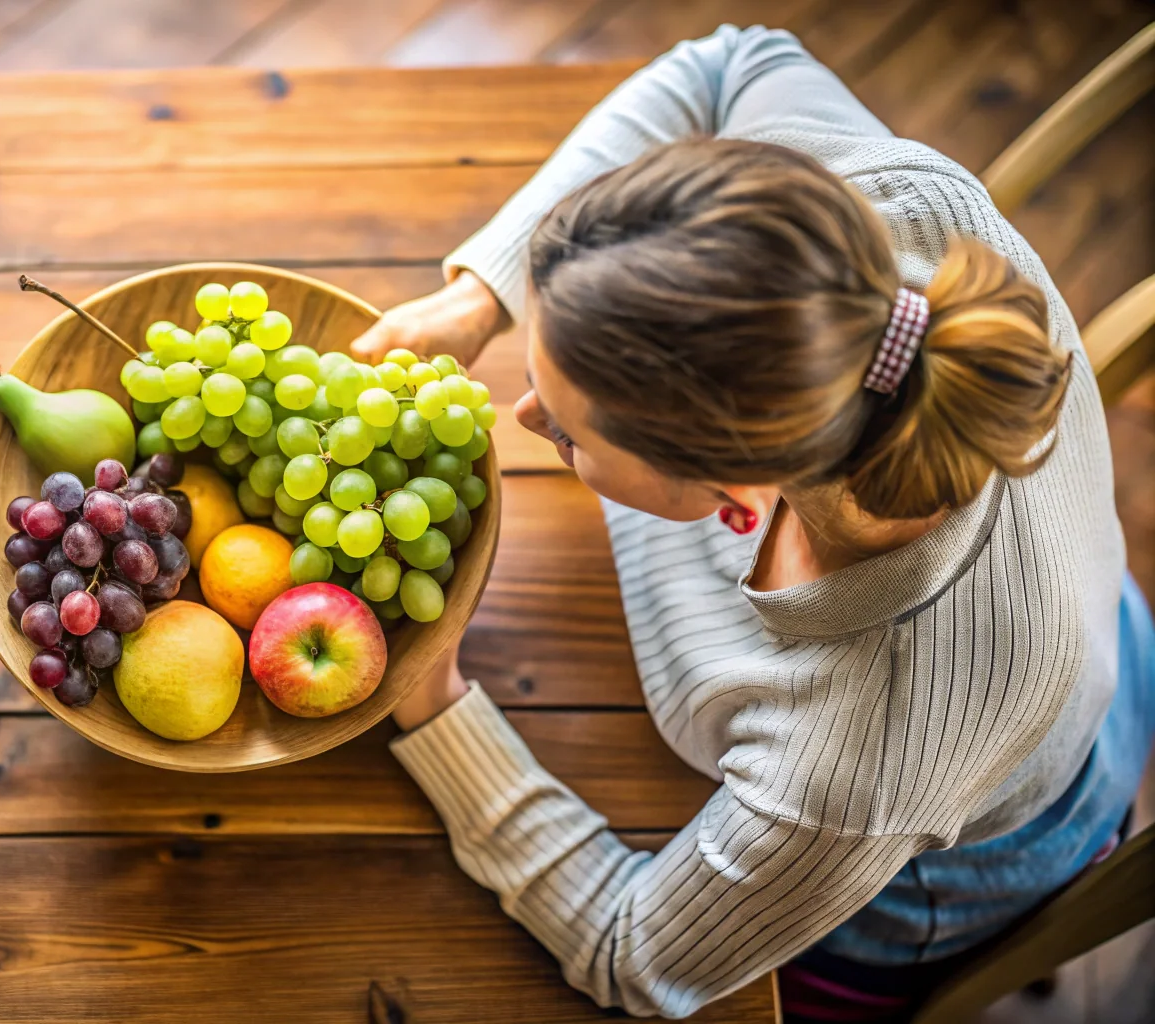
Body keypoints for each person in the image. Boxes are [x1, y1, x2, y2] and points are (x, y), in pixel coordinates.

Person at [354, 25, 1155, 1021]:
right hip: (1098, 628)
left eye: (563, 430)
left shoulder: (847, 758)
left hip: (928, 878)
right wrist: (479, 298)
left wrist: (433, 700)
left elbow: (632, 952)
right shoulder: (884, 220)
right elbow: (728, 63)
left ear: (731, 491)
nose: (519, 417)